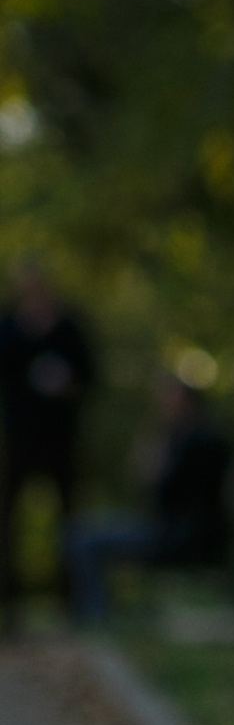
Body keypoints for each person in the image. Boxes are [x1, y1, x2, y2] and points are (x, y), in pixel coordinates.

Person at [65, 371, 234, 626]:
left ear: (185, 401)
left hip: (177, 535)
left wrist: (155, 465)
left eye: (168, 398)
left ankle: (95, 618)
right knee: (84, 531)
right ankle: (95, 614)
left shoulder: (192, 441)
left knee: (82, 538)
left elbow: (160, 490)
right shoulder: (206, 436)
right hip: (185, 531)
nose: (162, 404)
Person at [0, 260, 98, 619]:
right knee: (10, 519)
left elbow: (90, 376)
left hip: (61, 440)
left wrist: (65, 383)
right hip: (20, 439)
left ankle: (71, 600)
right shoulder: (9, 327)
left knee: (70, 519)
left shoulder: (69, 327)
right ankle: (8, 600)